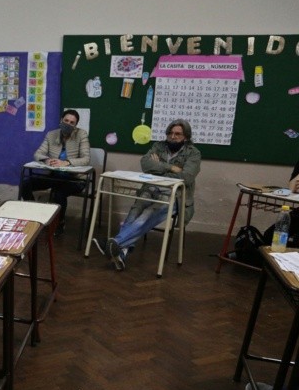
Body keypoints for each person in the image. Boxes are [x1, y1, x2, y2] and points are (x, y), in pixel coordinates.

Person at [93, 119, 201, 270]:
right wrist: (171, 167)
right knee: (135, 211)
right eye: (170, 133)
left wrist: (159, 170)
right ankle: (120, 251)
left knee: (146, 215)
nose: (173, 136)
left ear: (186, 137)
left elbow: (186, 177)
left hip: (175, 194)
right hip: (151, 188)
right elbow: (145, 164)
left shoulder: (193, 153)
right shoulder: (158, 146)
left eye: (178, 134)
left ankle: (116, 243)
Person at [20, 109, 91, 234]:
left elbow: (86, 159)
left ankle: (59, 223)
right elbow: (38, 154)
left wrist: (66, 162)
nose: (68, 124)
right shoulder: (51, 134)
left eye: (72, 123)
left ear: (75, 126)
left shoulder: (81, 135)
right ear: (61, 120)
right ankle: (34, 215)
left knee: (59, 193)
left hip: (75, 179)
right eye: (66, 121)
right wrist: (47, 160)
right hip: (54, 176)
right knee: (25, 183)